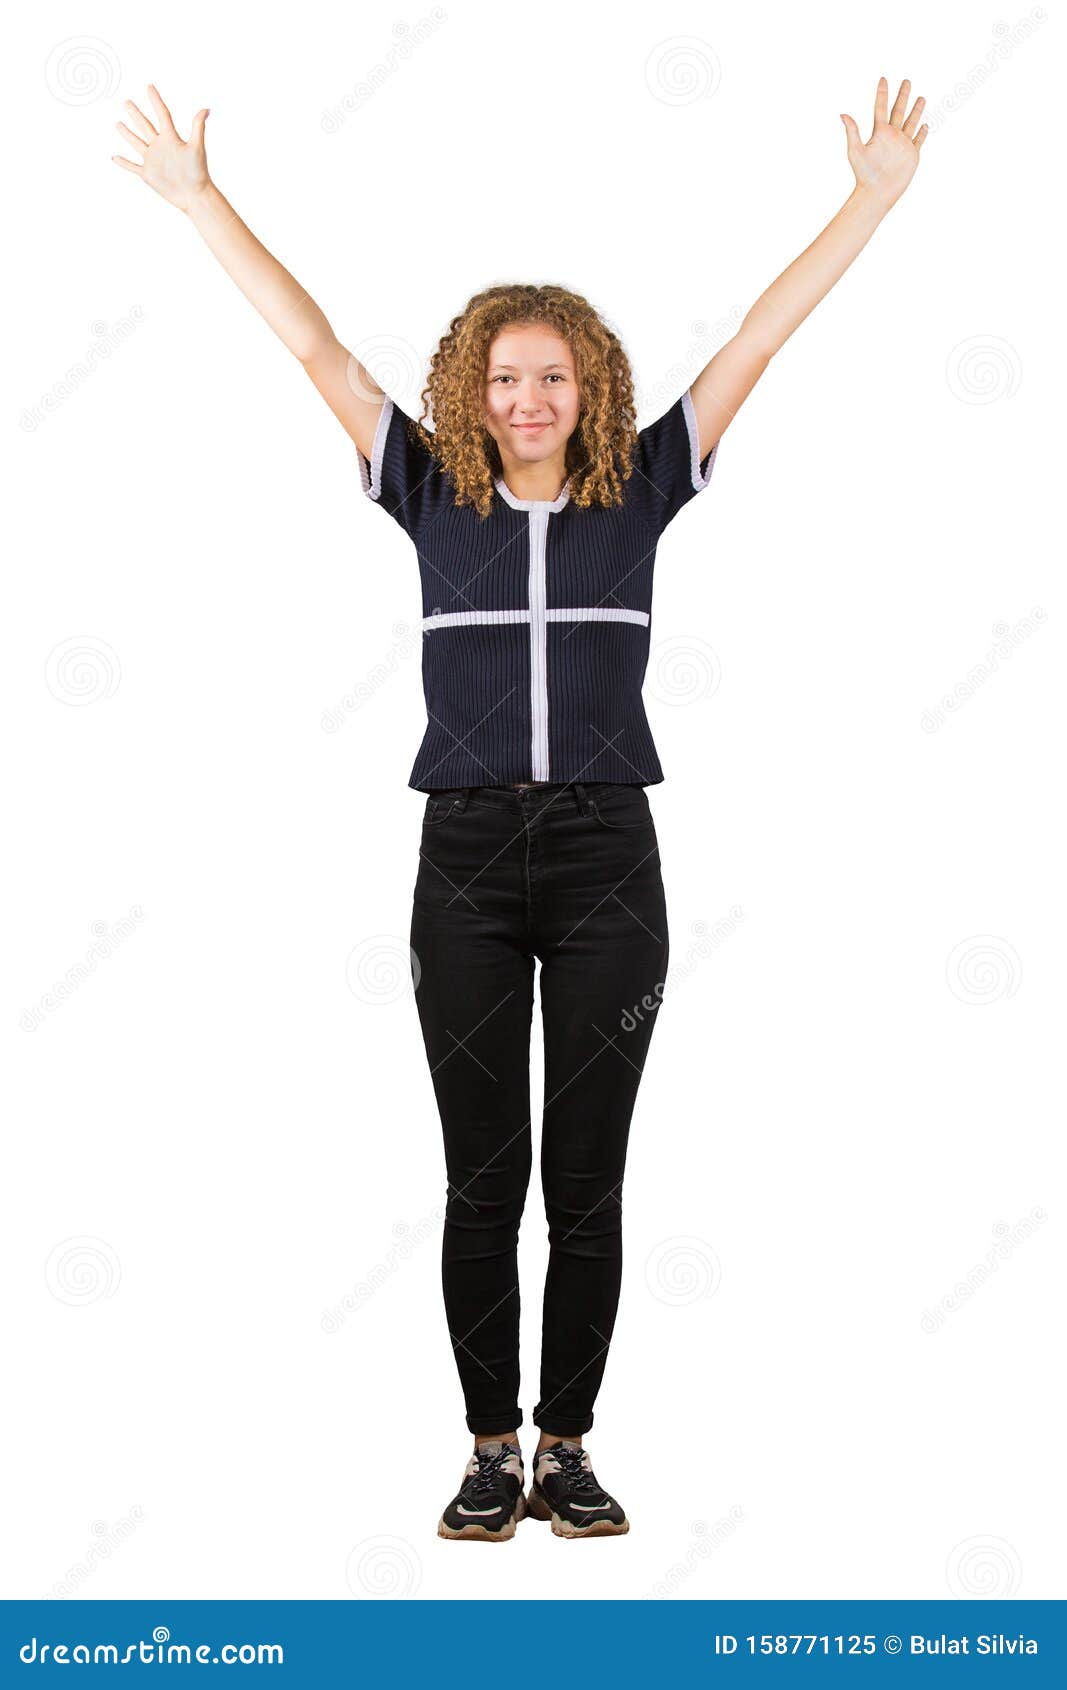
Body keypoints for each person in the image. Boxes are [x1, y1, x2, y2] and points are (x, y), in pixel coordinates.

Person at [113, 76, 928, 1541]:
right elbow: (310, 341)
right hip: (469, 862)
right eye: (503, 378)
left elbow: (757, 336)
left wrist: (870, 196)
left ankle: (572, 1445)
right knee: (482, 1174)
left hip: (612, 858)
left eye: (551, 378)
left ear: (591, 389)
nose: (527, 400)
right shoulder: (432, 495)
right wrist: (196, 200)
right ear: (468, 393)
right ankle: (490, 1449)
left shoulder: (644, 488)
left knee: (590, 1181)